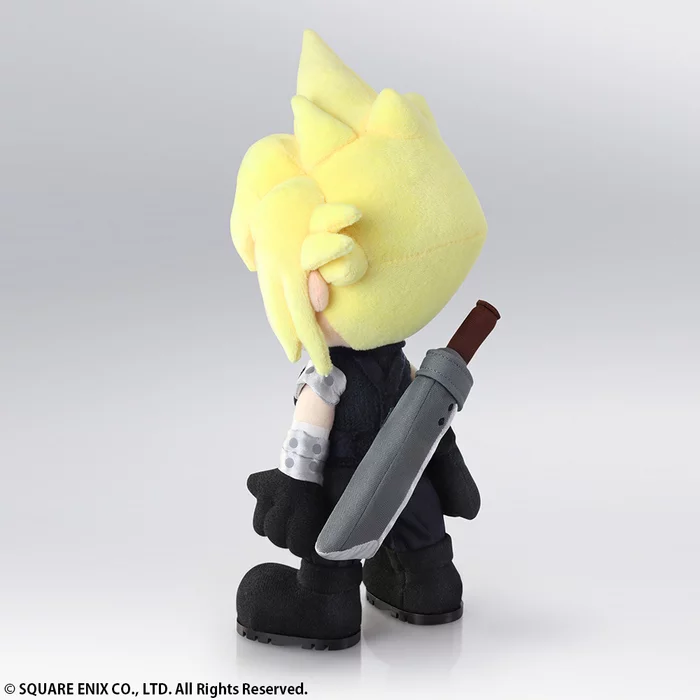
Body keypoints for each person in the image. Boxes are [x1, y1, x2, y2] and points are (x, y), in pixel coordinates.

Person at [231, 30, 487, 650]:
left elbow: (310, 438)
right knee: (416, 525)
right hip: (405, 481)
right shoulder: (391, 369)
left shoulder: (334, 377)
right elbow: (420, 423)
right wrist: (446, 467)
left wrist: (296, 488)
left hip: (351, 484)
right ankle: (426, 584)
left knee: (338, 537)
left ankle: (331, 601)